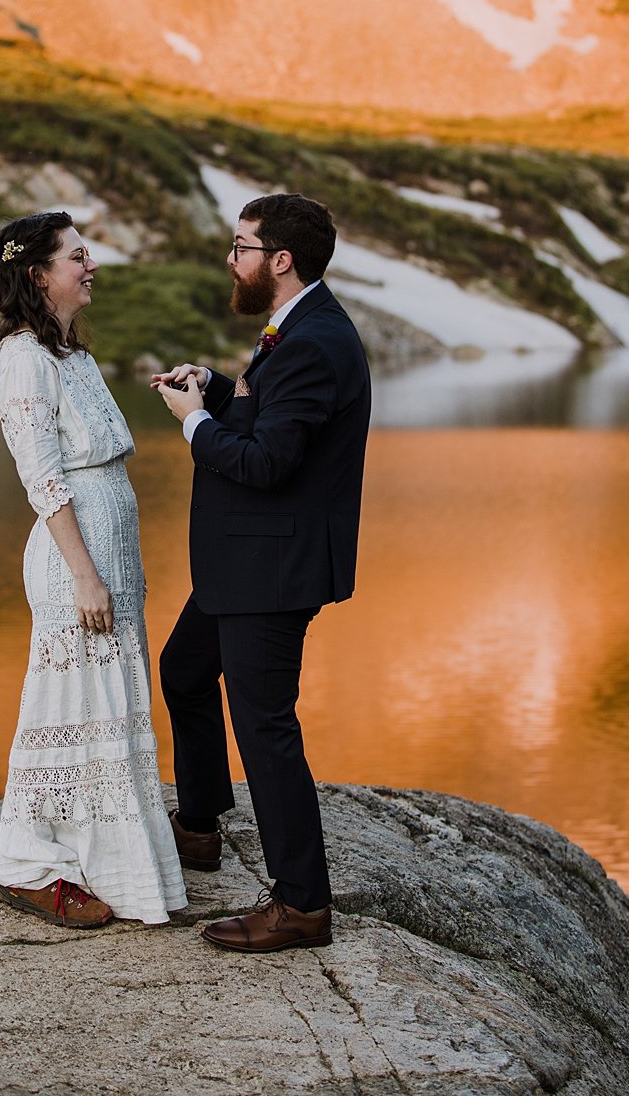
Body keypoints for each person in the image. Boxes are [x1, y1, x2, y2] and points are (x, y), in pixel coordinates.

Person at [153, 192, 371, 954]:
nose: (231, 259)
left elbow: (268, 461)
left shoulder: (314, 341)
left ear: (279, 260)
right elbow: (271, 417)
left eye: (240, 246)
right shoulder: (299, 327)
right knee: (183, 669)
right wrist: (216, 386)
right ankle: (199, 825)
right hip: (245, 563)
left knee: (266, 728)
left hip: (271, 571)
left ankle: (302, 905)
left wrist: (194, 424)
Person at [0, 212, 186, 928]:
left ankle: (113, 861)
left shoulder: (72, 354)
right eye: (77, 256)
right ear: (39, 274)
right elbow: (42, 479)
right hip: (75, 560)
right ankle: (28, 864)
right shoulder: (24, 358)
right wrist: (84, 574)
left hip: (108, 555)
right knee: (65, 706)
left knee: (105, 708)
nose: (90, 265)